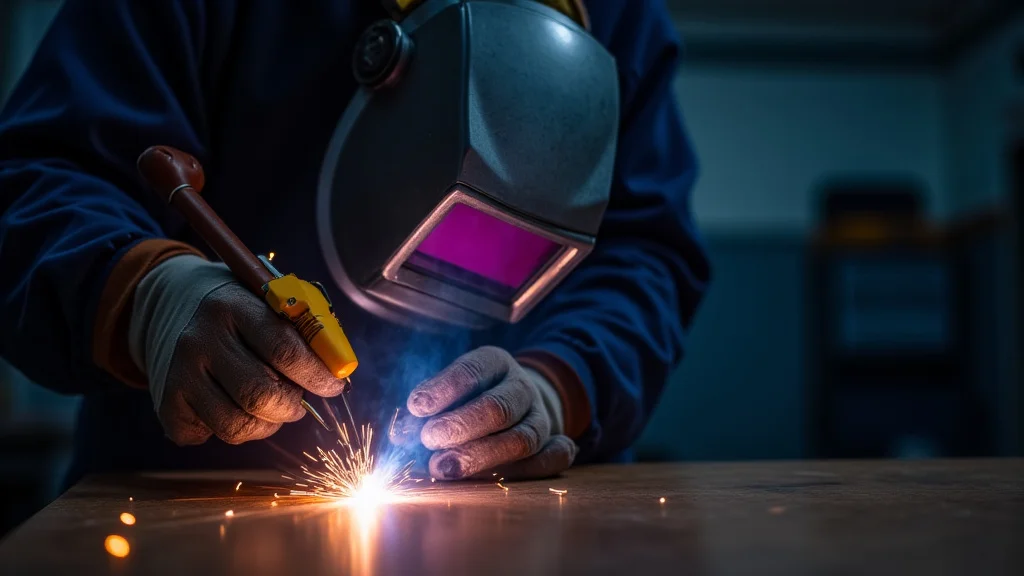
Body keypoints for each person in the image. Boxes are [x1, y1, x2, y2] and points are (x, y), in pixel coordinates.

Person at [0, 0, 709, 487]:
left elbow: (644, 251)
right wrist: (146, 295)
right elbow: (37, 182)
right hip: (183, 503)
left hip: (507, 518)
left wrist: (557, 385)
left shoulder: (613, 15)